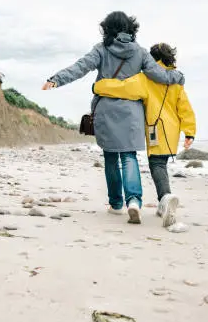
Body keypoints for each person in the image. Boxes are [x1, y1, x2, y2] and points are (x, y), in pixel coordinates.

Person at [41, 12, 184, 224]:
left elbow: (80, 67)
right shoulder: (141, 52)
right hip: (132, 113)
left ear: (107, 29)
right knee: (129, 156)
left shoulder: (101, 49)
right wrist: (178, 77)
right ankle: (134, 201)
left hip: (106, 111)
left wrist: (56, 80)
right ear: (131, 28)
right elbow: (160, 76)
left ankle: (116, 204)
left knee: (110, 157)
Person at [93, 43, 196, 227]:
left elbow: (122, 87)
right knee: (161, 164)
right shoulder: (176, 82)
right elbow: (185, 109)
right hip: (173, 131)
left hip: (155, 128)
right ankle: (162, 203)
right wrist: (190, 132)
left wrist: (98, 86)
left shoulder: (145, 78)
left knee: (156, 164)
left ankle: (165, 198)